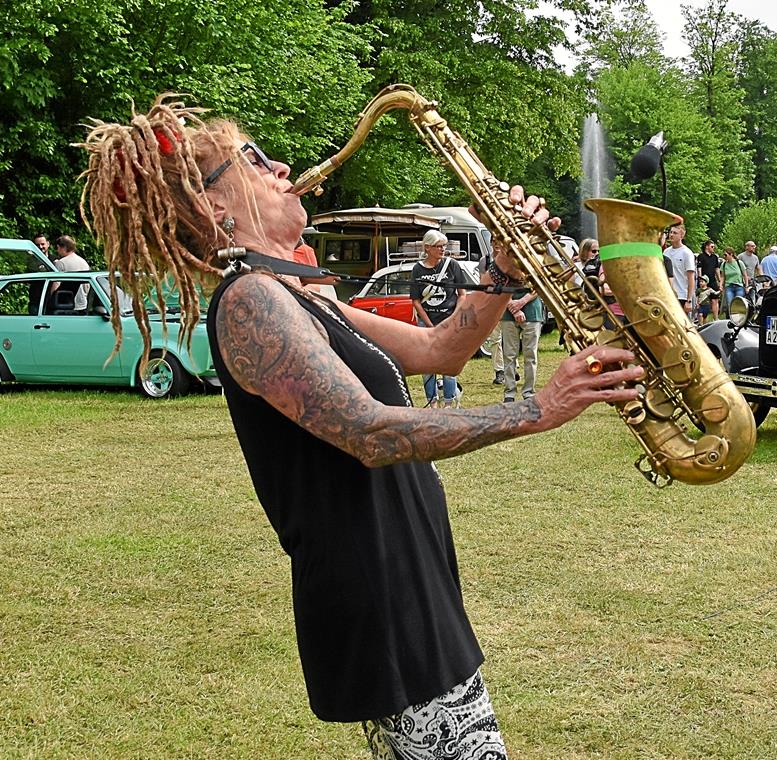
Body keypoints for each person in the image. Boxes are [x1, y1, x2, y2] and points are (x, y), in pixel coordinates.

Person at [77, 95, 642, 759]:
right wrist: (540, 408)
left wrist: (500, 272)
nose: (283, 164)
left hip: (405, 574)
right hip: (380, 592)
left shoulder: (300, 293)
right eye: (255, 161)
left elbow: (442, 352)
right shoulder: (250, 302)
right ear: (213, 208)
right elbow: (369, 433)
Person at [410, 229, 468, 408]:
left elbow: (462, 294)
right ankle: (432, 401)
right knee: (427, 364)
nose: (442, 249)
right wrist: (427, 323)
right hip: (426, 322)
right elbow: (416, 300)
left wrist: (454, 316)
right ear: (427, 248)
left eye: (444, 246)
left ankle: (449, 402)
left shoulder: (452, 265)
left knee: (449, 363)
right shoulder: (417, 269)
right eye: (438, 246)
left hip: (449, 320)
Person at [499, 245, 544, 402]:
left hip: (532, 312)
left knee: (530, 355)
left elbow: (540, 285)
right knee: (509, 354)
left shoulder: (536, 260)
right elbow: (500, 286)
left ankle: (529, 392)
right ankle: (509, 393)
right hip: (508, 310)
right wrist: (514, 307)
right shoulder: (503, 262)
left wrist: (521, 302)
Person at [477, 247, 506, 384]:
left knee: (510, 338)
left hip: (508, 302)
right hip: (492, 304)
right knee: (495, 339)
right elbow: (483, 283)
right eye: (494, 242)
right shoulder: (485, 261)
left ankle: (512, 367)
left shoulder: (510, 260)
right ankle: (499, 370)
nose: (497, 245)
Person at [663, 224, 696, 314]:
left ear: (682, 235)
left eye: (675, 233)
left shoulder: (687, 253)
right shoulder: (666, 252)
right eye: (670, 232)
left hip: (681, 295)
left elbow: (691, 278)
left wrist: (689, 300)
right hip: (667, 294)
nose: (671, 235)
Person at [53, 234, 91, 310]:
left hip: (65, 305)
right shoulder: (83, 262)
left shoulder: (61, 263)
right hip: (83, 304)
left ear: (63, 247)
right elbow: (87, 286)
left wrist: (51, 302)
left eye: (58, 248)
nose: (57, 251)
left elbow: (55, 284)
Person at [695, 239, 721, 321]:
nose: (713, 248)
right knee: (702, 302)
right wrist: (700, 280)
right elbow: (699, 269)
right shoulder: (701, 256)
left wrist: (719, 280)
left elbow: (717, 269)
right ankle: (701, 320)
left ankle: (716, 318)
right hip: (704, 281)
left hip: (712, 280)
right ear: (707, 247)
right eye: (712, 246)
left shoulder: (715, 257)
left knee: (715, 300)